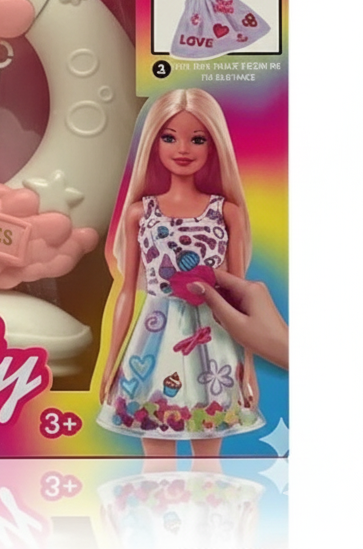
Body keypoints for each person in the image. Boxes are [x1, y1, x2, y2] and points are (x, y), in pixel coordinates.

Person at [97, 89, 263, 454]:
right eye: (169, 138)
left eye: (197, 139)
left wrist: (248, 363)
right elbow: (127, 292)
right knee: (155, 457)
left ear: (214, 146)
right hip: (154, 334)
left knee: (209, 458)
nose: (183, 149)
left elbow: (240, 295)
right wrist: (111, 360)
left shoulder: (226, 212)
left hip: (213, 340)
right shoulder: (140, 213)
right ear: (153, 144)